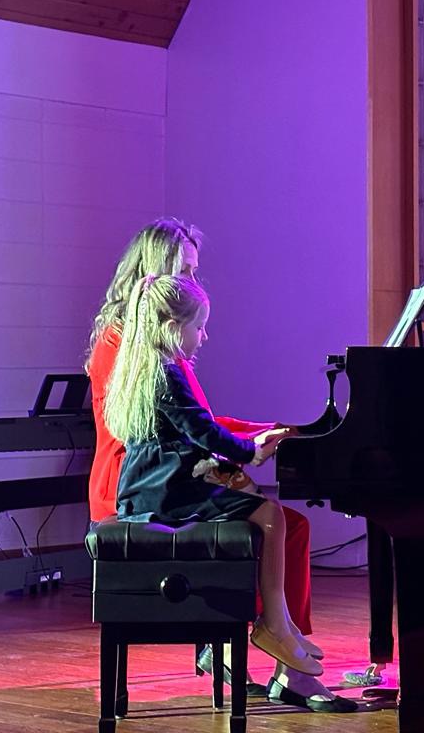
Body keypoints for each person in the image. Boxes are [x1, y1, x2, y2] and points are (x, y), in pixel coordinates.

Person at [87, 219, 355, 711]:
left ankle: (251, 643)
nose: (194, 278)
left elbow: (195, 423)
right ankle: (275, 654)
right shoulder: (124, 341)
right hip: (138, 483)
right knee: (280, 525)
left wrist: (252, 438)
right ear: (155, 270)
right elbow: (167, 430)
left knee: (282, 524)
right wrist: (251, 442)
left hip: (168, 473)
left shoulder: (157, 337)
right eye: (185, 269)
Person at [104, 274, 319, 675]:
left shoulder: (143, 369)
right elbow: (202, 431)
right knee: (270, 515)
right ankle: (274, 624)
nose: (203, 337)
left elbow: (190, 433)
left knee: (263, 509)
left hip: (151, 487)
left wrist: (249, 441)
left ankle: (281, 621)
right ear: (173, 328)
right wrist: (252, 452)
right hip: (165, 494)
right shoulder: (166, 374)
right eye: (199, 327)